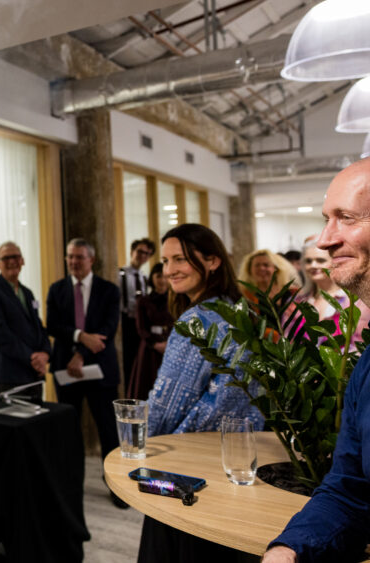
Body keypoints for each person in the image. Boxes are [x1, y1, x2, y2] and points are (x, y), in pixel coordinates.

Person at [264, 159, 370, 562]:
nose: (325, 240)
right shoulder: (365, 369)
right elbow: (349, 489)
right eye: (327, 219)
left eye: (345, 218)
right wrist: (287, 551)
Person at [139, 223, 263, 563]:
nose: (169, 271)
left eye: (180, 259)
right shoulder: (240, 310)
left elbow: (166, 404)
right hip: (238, 463)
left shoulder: (197, 321)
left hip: (187, 466)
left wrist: (141, 444)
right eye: (165, 261)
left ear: (212, 261)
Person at [46, 238, 124, 508]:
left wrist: (81, 355)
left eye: (79, 257)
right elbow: (54, 325)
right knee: (68, 431)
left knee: (108, 432)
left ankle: (116, 487)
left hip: (100, 372)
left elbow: (108, 328)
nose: (73, 262)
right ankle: (69, 485)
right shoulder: (56, 290)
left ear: (92, 260)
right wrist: (80, 336)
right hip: (67, 373)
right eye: (70, 256)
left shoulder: (109, 290)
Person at [0, 241, 51, 395]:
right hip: (9, 375)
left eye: (16, 257)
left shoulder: (27, 292)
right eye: (6, 258)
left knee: (39, 419)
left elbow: (38, 327)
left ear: (22, 261)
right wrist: (32, 357)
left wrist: (45, 353)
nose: (12, 261)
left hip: (34, 374)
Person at [296, 241, 369, 342]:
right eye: (308, 261)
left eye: (320, 260)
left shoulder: (355, 302)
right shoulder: (297, 302)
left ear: (336, 262)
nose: (313, 265)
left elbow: (360, 343)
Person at [126, 262, 172, 400]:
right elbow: (141, 328)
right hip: (149, 348)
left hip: (170, 346)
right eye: (158, 276)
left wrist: (169, 343)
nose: (162, 280)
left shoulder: (175, 300)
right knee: (147, 384)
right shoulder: (144, 301)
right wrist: (155, 344)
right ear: (152, 278)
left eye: (165, 276)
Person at [119, 238, 155, 389]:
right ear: (132, 252)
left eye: (147, 253)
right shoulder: (120, 274)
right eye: (140, 251)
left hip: (139, 324)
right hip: (124, 321)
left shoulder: (145, 277)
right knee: (125, 360)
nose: (143, 256)